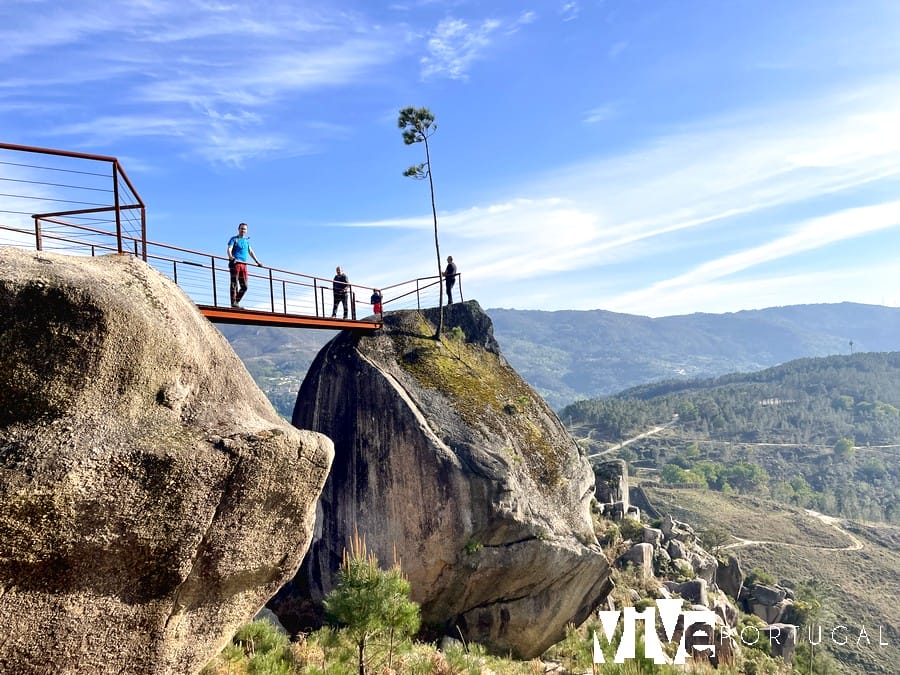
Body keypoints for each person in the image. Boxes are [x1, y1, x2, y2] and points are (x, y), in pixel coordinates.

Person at [227, 222, 262, 308]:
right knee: (234, 283)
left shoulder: (246, 241)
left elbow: (250, 252)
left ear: (246, 230)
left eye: (245, 229)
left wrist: (257, 262)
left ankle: (236, 302)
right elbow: (229, 249)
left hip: (244, 264)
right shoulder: (234, 239)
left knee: (245, 286)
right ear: (238, 229)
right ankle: (234, 303)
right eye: (242, 228)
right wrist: (231, 257)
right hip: (235, 263)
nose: (243, 230)